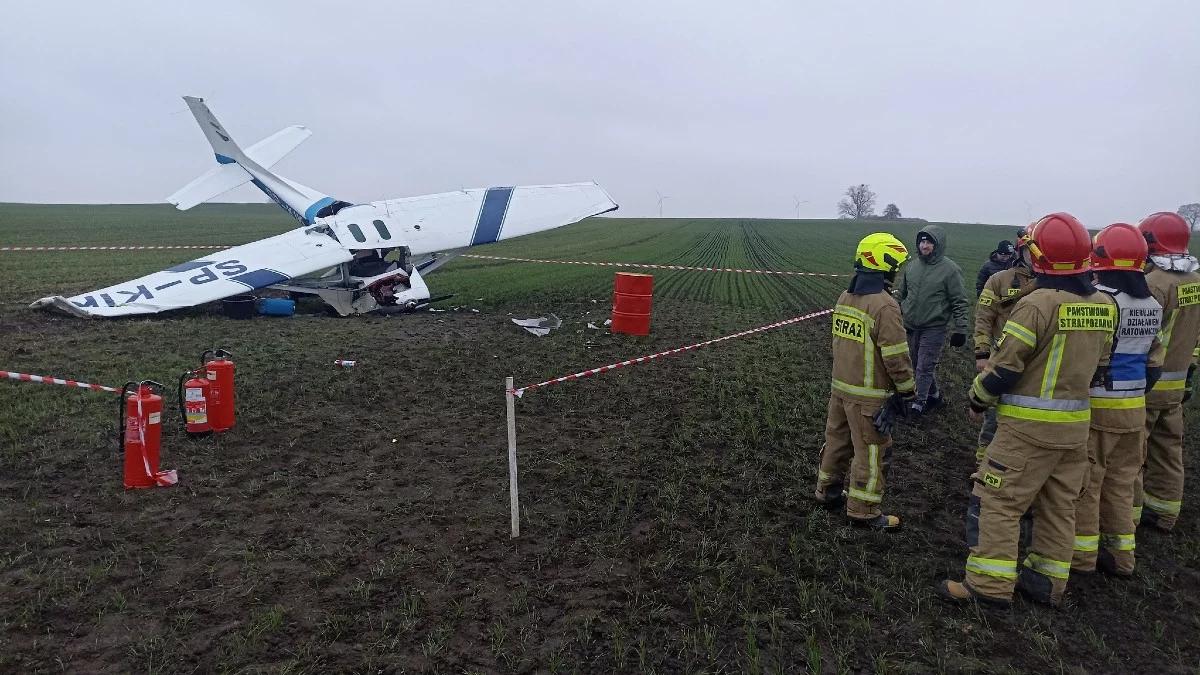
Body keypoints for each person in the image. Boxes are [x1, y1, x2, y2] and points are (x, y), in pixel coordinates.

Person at [937, 213, 1114, 608]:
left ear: (1040, 256)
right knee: (1058, 506)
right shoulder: (1104, 305)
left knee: (997, 501)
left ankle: (988, 585)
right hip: (1075, 430)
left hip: (1026, 431)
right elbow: (1103, 367)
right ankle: (1046, 584)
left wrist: (977, 398)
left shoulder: (1036, 305)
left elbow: (1005, 367)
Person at [1073, 223, 1162, 577]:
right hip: (1135, 405)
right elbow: (1155, 360)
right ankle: (1123, 557)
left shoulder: (1103, 301)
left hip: (1100, 403)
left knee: (1088, 483)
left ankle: (1082, 557)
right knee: (1123, 483)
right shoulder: (1152, 303)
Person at [815, 233, 916, 531]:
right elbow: (896, 357)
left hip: (841, 389)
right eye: (895, 266)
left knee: (835, 443)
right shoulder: (884, 306)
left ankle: (827, 492)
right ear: (885, 266)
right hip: (869, 396)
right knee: (872, 453)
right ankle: (864, 510)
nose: (897, 272)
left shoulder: (845, 297)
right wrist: (907, 392)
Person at [1135, 212, 1200, 532]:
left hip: (1149, 383)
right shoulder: (1195, 281)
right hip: (1177, 383)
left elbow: (1143, 336)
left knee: (1132, 453)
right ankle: (1164, 512)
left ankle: (1127, 515)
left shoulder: (1154, 284)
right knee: (1169, 448)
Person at [972, 231, 1038, 463]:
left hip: (1037, 365)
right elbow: (984, 317)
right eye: (1032, 250)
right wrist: (982, 352)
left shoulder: (1054, 287)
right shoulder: (999, 280)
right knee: (993, 419)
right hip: (1002, 360)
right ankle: (983, 465)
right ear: (1021, 252)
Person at [897, 225, 970, 416]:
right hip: (911, 325)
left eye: (929, 241)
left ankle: (918, 403)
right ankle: (934, 395)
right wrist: (893, 313)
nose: (925, 245)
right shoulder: (912, 266)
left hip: (934, 327)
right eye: (922, 241)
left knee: (924, 366)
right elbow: (901, 294)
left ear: (937, 245)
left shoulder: (950, 270)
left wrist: (961, 329)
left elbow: (959, 301)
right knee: (914, 363)